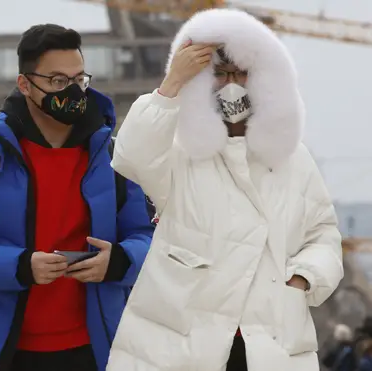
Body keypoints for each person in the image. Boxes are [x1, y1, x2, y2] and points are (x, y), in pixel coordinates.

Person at [106, 8, 343, 371]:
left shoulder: (294, 159)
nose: (232, 84)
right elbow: (130, 157)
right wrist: (171, 85)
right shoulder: (179, 150)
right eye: (219, 73)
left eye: (241, 73)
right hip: (181, 344)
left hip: (269, 342)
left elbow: (323, 234)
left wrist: (304, 277)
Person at [0, 23, 154, 371]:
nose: (71, 91)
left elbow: (149, 238)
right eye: (57, 81)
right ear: (25, 84)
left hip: (96, 351)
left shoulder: (115, 158)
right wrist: (22, 266)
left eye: (79, 79)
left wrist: (118, 261)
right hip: (11, 355)